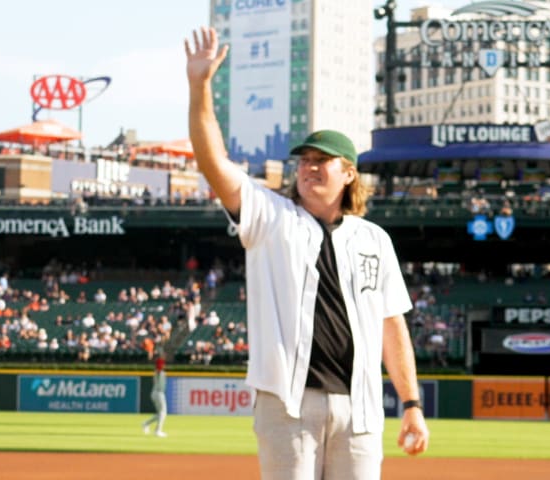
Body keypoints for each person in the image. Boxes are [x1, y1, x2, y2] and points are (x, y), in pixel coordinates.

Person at [186, 27, 429, 479]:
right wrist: (200, 89)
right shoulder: (270, 217)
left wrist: (411, 403)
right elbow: (213, 163)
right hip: (288, 405)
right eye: (305, 160)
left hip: (360, 408)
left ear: (350, 174)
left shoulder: (375, 239)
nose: (310, 166)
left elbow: (391, 326)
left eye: (322, 160)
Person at [142, 352, 168, 437]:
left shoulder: (159, 371)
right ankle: (158, 431)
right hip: (158, 393)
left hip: (156, 393)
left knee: (160, 413)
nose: (163, 365)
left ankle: (146, 423)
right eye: (162, 364)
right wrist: (161, 358)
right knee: (163, 412)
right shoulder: (159, 371)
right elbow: (159, 366)